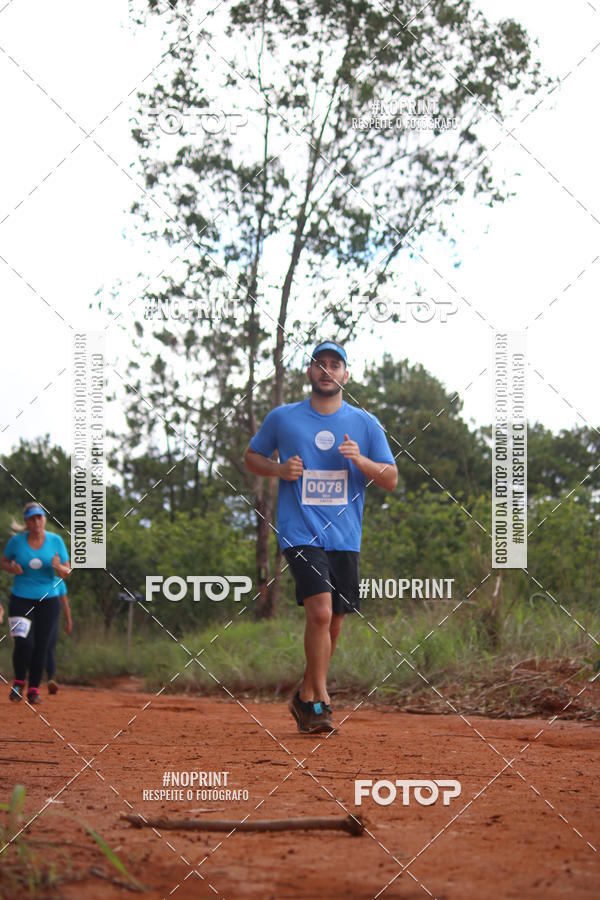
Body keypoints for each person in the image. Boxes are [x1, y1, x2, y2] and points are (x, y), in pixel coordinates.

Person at [244, 340, 397, 734]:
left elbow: (391, 478)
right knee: (321, 612)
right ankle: (320, 701)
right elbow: (252, 457)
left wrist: (360, 460)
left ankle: (303, 693)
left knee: (334, 624)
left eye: (334, 364)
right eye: (319, 364)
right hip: (300, 532)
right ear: (309, 373)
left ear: (346, 374)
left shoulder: (365, 423)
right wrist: (279, 470)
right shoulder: (284, 418)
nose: (326, 370)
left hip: (345, 537)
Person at [1, 502, 71, 704]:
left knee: (41, 646)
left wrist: (59, 567)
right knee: (24, 642)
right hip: (20, 599)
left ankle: (33, 690)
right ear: (26, 522)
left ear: (44, 520)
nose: (36, 522)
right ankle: (18, 682)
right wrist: (11, 567)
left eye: (39, 517)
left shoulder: (56, 541)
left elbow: (67, 572)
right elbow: (3, 562)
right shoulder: (16, 542)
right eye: (32, 518)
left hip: (48, 601)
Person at [45, 581, 73, 694]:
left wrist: (69, 621)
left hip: (52, 622)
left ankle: (51, 680)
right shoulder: (35, 578)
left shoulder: (59, 582)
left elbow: (65, 603)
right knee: (34, 648)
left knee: (49, 649)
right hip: (35, 620)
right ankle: (23, 680)